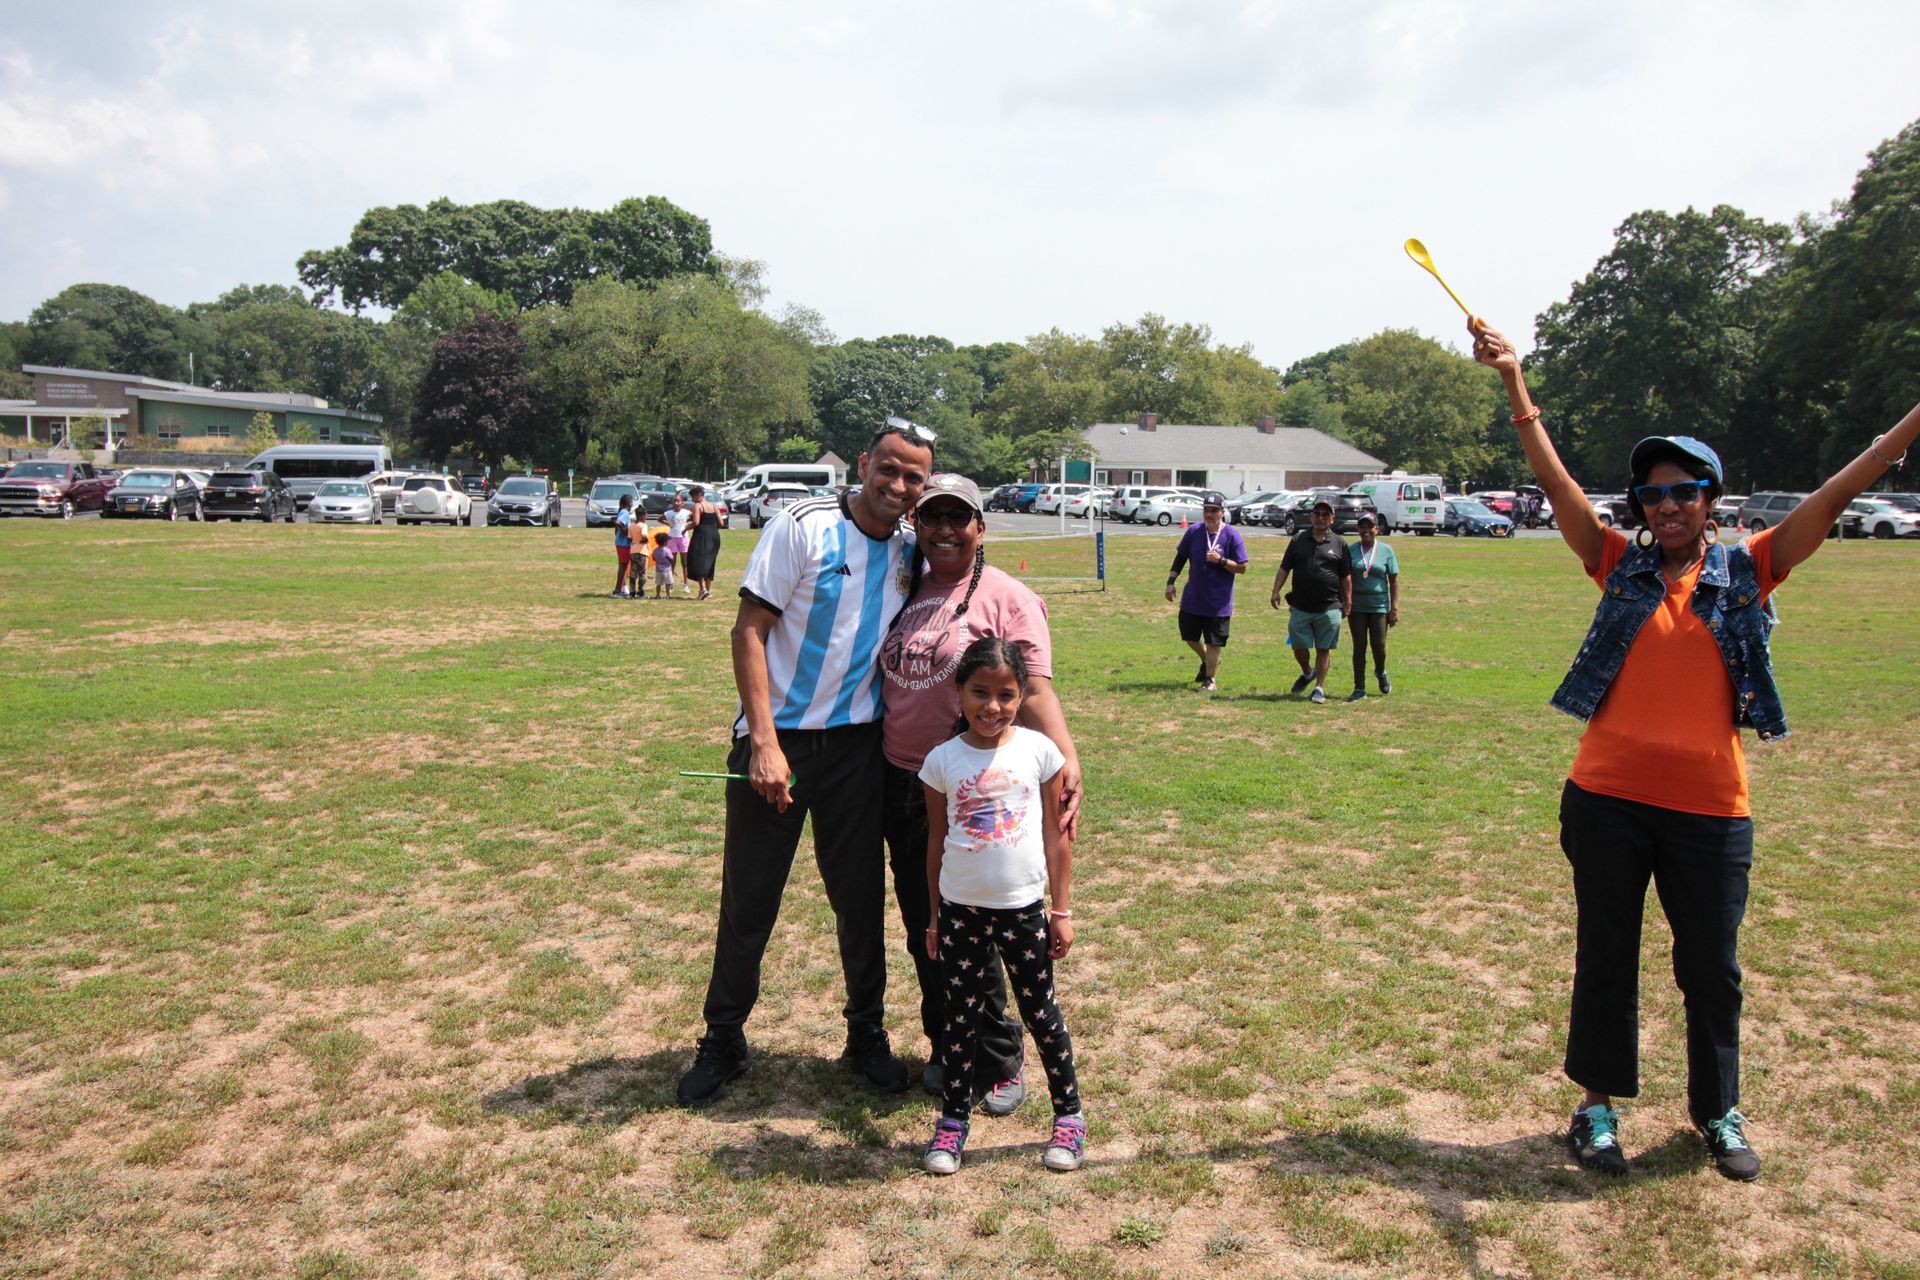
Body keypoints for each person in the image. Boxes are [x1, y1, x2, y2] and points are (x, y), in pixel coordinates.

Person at [1471, 316, 1920, 1183]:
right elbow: (1556, 483)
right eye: (1652, 495)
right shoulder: (1615, 564)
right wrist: (1514, 384)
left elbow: (1835, 493)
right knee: (1607, 956)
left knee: (1711, 969)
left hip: (1712, 812)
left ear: (1712, 500)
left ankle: (1717, 1109)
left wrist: (1906, 428)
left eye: (1684, 492)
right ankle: (1596, 1108)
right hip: (1604, 799)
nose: (1667, 506)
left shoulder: (1752, 569)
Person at [676, 421, 937, 1106]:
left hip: (858, 750)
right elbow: (749, 631)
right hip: (778, 742)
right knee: (750, 901)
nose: (899, 485)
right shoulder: (802, 524)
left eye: (914, 477)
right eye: (889, 469)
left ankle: (866, 1036)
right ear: (864, 464)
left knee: (859, 902)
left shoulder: (911, 546)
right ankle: (723, 1039)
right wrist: (763, 741)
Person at [879, 473, 1082, 1113]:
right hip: (903, 777)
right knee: (929, 927)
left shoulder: (1009, 598)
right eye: (931, 516)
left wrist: (1067, 761)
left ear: (980, 527)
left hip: (982, 786)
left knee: (985, 923)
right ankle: (946, 1042)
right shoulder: (903, 584)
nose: (943, 529)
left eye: (957, 518)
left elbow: (1037, 691)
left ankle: (1000, 1057)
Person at [919, 638, 1085, 1175]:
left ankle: (1069, 1118)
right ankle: (952, 1124)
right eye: (980, 693)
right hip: (961, 911)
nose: (993, 706)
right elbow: (936, 841)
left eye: (1007, 695)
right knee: (960, 1019)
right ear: (959, 693)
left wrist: (1060, 910)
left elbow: (1057, 838)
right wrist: (934, 916)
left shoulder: (1039, 751)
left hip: (1023, 911)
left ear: (1021, 696)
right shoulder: (941, 761)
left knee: (1041, 1013)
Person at [1268, 499, 1351, 704]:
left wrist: (1348, 601)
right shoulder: (1298, 539)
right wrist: (1275, 590)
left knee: (1324, 648)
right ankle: (1307, 672)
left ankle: (1319, 688)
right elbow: (1284, 567)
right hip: (1300, 605)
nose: (1321, 518)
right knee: (1298, 646)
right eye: (1317, 514)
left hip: (1329, 605)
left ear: (1332, 519)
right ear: (1311, 516)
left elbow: (1346, 576)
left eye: (1325, 515)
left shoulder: (1340, 543)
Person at [1165, 491, 1249, 692]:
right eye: (1206, 510)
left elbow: (1242, 567)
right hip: (1193, 597)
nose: (1209, 514)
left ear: (1222, 512)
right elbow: (1181, 557)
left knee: (1214, 641)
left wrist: (1221, 560)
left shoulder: (1231, 535)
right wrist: (1170, 582)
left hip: (1218, 602)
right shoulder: (1194, 531)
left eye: (1213, 510)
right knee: (1189, 636)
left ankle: (1210, 679)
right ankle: (1207, 660)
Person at [1345, 513, 1398, 701]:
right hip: (1357, 607)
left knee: (1379, 647)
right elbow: (1345, 577)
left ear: (1377, 529)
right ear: (1358, 529)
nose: (1366, 530)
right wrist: (1346, 601)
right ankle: (1359, 688)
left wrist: (1394, 609)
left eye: (1370, 526)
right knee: (1359, 646)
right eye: (1362, 527)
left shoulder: (1386, 550)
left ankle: (1380, 671)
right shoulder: (1351, 550)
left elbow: (1393, 580)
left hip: (1379, 606)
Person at [685, 485, 723, 600]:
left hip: (702, 536)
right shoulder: (713, 506)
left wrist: (685, 528)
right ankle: (708, 590)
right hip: (714, 536)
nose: (692, 500)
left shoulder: (698, 506)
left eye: (693, 497)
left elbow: (696, 522)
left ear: (698, 495)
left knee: (698, 560)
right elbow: (721, 523)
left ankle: (702, 589)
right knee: (710, 562)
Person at [664, 493, 694, 595]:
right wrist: (668, 524)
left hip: (683, 539)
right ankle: (671, 584)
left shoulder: (686, 512)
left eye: (678, 501)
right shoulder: (668, 513)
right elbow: (660, 519)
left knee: (684, 563)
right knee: (672, 562)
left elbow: (695, 518)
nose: (676, 503)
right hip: (672, 538)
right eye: (675, 501)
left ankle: (686, 584)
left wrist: (688, 526)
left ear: (682, 503)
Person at [611, 493, 639, 598]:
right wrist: (625, 531)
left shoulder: (623, 511)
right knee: (623, 566)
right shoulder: (625, 513)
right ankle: (617, 590)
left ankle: (622, 588)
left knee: (623, 566)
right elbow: (618, 522)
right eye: (632, 501)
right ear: (629, 503)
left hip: (620, 543)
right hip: (624, 544)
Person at [650, 531, 676, 599]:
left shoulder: (655, 550)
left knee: (658, 583)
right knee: (668, 583)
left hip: (658, 570)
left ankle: (658, 595)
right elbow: (671, 559)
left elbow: (653, 559)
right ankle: (668, 595)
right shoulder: (667, 550)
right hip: (667, 570)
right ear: (665, 542)